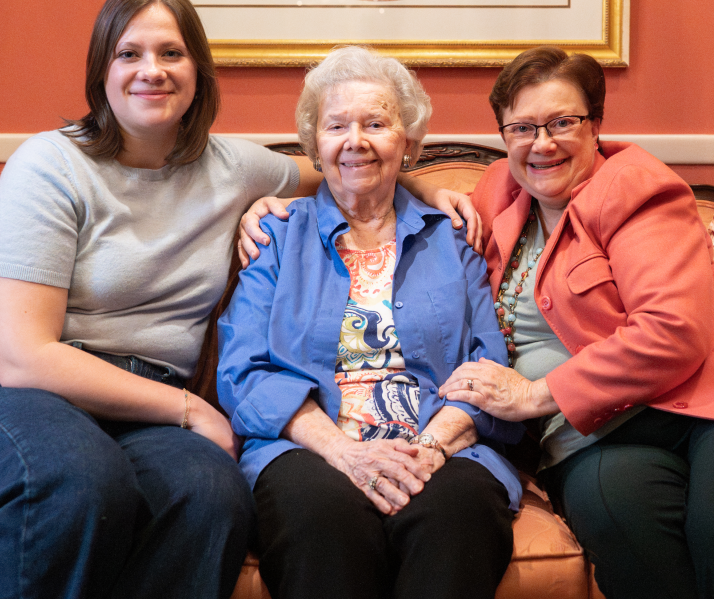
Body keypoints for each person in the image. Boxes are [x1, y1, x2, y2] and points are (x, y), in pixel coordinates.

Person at [0, 0, 478, 599]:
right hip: (20, 397)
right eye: (128, 54)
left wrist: (427, 191)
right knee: (79, 481)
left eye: (171, 53)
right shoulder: (49, 166)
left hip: (147, 406)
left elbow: (349, 165)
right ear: (101, 69)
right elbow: (23, 357)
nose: (150, 71)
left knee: (212, 495)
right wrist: (189, 408)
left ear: (198, 72)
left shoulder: (233, 166)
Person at [435, 47, 714, 599]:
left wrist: (534, 396)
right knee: (622, 525)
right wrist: (420, 188)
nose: (543, 143)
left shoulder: (635, 190)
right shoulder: (500, 190)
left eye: (563, 122)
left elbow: (672, 330)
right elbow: (388, 193)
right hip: (597, 434)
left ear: (596, 125)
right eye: (523, 127)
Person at [217, 46, 522, 599]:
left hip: (440, 443)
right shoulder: (278, 237)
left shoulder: (453, 237)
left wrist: (428, 447)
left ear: (408, 143)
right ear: (316, 145)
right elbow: (244, 373)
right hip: (310, 448)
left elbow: (490, 366)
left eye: (376, 123)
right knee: (320, 515)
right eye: (337, 126)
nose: (355, 140)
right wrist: (343, 451)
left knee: (458, 514)